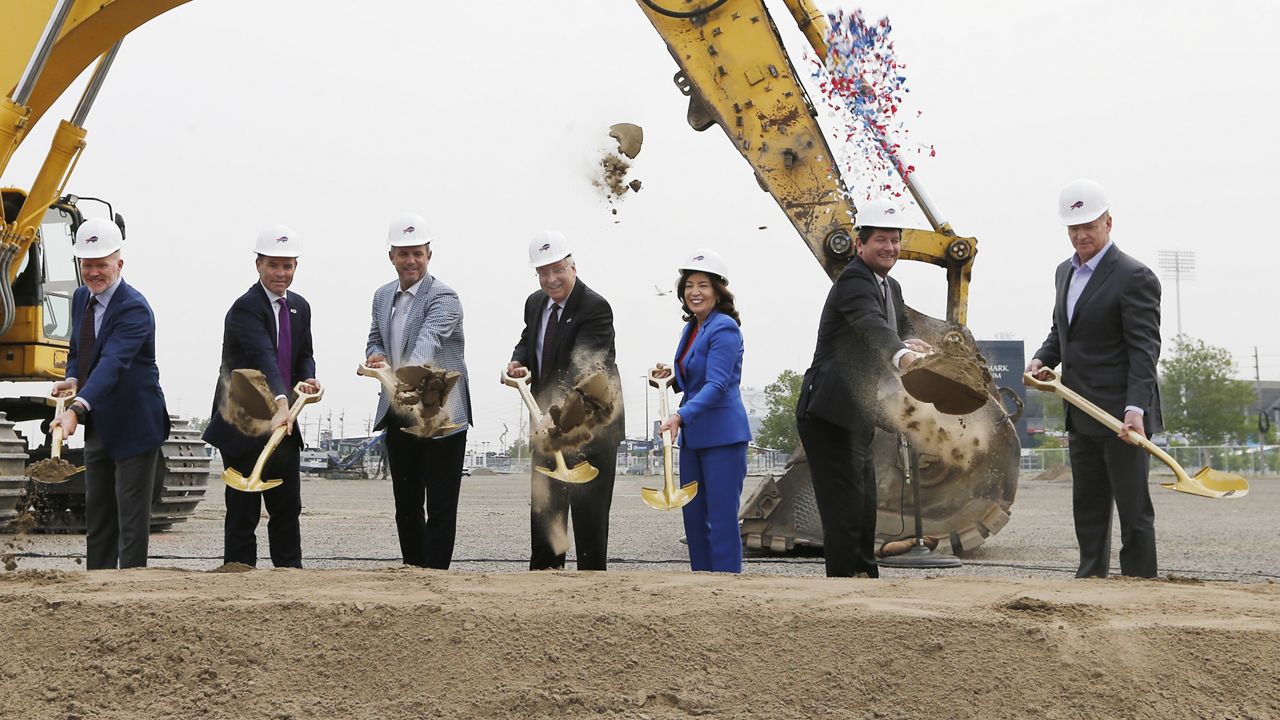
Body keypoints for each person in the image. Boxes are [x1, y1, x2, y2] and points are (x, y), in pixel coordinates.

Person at [1027, 178, 1162, 579]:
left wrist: (1135, 408)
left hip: (1123, 417)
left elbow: (1144, 350)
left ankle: (1140, 584)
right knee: (1087, 504)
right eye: (1074, 227)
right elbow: (1061, 334)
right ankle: (1090, 581)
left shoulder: (1135, 276)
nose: (1081, 234)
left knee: (1133, 508)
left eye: (1089, 225)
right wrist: (1040, 359)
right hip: (1080, 409)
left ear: (1108, 223)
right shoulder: (1062, 274)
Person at [794, 199, 931, 578]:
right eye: (881, 241)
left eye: (895, 240)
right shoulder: (854, 280)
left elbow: (898, 326)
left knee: (864, 502)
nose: (889, 248)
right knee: (843, 507)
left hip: (857, 413)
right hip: (827, 413)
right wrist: (902, 356)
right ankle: (844, 585)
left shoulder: (891, 285)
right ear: (860, 245)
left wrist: (912, 343)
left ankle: (865, 577)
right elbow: (871, 325)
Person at [49, 218, 170, 570]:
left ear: (119, 263)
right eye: (88, 265)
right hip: (100, 421)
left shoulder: (134, 308)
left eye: (102, 264)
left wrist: (76, 409)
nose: (94, 272)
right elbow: (80, 351)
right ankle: (96, 588)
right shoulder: (80, 298)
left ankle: (130, 591)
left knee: (131, 522)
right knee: (99, 514)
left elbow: (113, 363)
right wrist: (72, 379)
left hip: (135, 423)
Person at [203, 224, 320, 569]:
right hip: (244, 422)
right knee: (243, 510)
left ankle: (289, 576)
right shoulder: (245, 309)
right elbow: (264, 359)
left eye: (288, 266)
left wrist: (307, 376)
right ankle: (238, 579)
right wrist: (282, 403)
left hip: (283, 423)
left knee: (286, 508)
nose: (281, 273)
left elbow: (304, 354)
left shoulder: (300, 307)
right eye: (273, 265)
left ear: (296, 266)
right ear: (258, 265)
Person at [506, 230, 624, 571]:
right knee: (546, 512)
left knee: (589, 520)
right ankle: (544, 582)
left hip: (590, 430)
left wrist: (555, 414)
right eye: (543, 272)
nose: (551, 278)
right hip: (548, 429)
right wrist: (519, 361)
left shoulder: (595, 308)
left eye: (558, 269)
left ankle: (590, 590)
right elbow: (530, 339)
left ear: (572, 266)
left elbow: (585, 370)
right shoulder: (535, 303)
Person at [364, 212, 472, 569]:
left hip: (441, 415)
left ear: (429, 255)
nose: (411, 260)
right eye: (403, 253)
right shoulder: (382, 296)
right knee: (406, 502)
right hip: (398, 410)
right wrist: (375, 355)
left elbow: (427, 342)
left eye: (418, 253)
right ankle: (412, 572)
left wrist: (406, 374)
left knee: (440, 505)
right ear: (391, 256)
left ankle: (435, 576)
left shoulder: (444, 296)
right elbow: (375, 338)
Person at [653, 249, 751, 573]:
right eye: (689, 285)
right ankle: (701, 588)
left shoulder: (724, 328)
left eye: (703, 285)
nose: (694, 291)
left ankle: (725, 590)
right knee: (694, 518)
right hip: (695, 438)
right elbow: (693, 376)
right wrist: (672, 374)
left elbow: (717, 384)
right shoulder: (693, 327)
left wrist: (680, 416)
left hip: (722, 437)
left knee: (720, 520)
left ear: (718, 291)